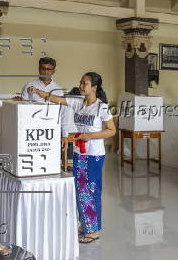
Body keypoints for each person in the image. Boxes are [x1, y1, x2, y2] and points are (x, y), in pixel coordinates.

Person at [27, 72, 116, 244]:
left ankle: (93, 231)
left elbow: (111, 130)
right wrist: (38, 92)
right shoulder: (78, 103)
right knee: (80, 191)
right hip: (79, 153)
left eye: (85, 84)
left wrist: (91, 136)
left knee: (90, 191)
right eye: (81, 83)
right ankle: (86, 224)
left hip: (94, 155)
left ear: (95, 87)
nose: (82, 86)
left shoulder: (101, 107)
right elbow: (56, 99)